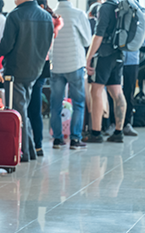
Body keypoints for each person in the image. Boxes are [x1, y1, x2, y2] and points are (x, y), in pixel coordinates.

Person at [0, 0, 54, 161]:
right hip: (36, 69)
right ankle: (30, 150)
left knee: (18, 112)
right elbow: (47, 43)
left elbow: (6, 45)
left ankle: (26, 153)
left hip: (16, 70)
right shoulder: (46, 16)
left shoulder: (15, 15)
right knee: (23, 110)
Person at [50, 0, 91, 149]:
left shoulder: (51, 15)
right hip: (74, 64)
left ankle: (57, 139)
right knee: (78, 103)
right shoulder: (78, 14)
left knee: (55, 105)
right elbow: (87, 41)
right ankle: (75, 139)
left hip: (56, 66)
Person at [85, 0, 127, 143]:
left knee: (95, 90)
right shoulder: (121, 6)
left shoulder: (105, 8)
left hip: (104, 55)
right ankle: (118, 131)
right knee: (117, 91)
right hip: (119, 54)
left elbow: (98, 35)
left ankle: (95, 133)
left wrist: (88, 57)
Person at [28, 0, 62, 157]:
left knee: (29, 107)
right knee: (35, 107)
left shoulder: (37, 16)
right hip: (44, 64)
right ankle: (37, 145)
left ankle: (31, 144)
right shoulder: (51, 19)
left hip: (32, 63)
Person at [122, 2, 145, 135]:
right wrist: (134, 43)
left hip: (121, 58)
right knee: (127, 92)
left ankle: (121, 123)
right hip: (131, 59)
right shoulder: (141, 14)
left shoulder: (121, 10)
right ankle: (125, 123)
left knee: (121, 92)